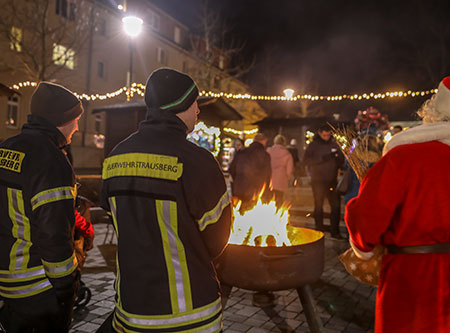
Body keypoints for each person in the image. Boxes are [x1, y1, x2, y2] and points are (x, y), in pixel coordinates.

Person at [99, 68, 232, 332]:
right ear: (181, 105)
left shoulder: (116, 156)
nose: (198, 110)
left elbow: (116, 221)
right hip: (190, 316)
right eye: (195, 103)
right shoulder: (198, 161)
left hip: (131, 310)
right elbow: (218, 239)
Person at [345, 76, 450, 332]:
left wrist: (364, 248)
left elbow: (366, 219)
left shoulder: (403, 157)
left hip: (413, 280)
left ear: (435, 109)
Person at [0, 82, 82, 332]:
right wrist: (67, 285)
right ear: (61, 119)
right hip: (38, 287)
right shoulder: (51, 159)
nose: (77, 127)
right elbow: (53, 232)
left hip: (7, 280)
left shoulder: (7, 147)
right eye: (76, 119)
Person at [303, 125, 344, 238]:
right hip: (318, 181)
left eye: (328, 135)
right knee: (318, 205)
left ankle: (335, 232)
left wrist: (338, 158)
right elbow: (306, 160)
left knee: (335, 206)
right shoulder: (313, 145)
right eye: (324, 135)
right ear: (320, 133)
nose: (326, 137)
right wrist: (321, 159)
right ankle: (319, 229)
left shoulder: (334, 144)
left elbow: (341, 161)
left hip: (332, 180)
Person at [229, 132, 272, 211]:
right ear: (263, 141)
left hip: (239, 188)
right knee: (250, 214)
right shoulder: (265, 155)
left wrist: (237, 181)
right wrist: (266, 190)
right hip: (254, 191)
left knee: (237, 213)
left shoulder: (241, 152)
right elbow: (267, 175)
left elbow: (232, 169)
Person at [267, 134, 294, 207]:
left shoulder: (268, 151)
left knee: (269, 199)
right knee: (279, 198)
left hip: (269, 178)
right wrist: (288, 178)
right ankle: (278, 214)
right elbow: (289, 169)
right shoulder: (287, 154)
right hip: (281, 179)